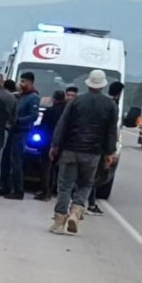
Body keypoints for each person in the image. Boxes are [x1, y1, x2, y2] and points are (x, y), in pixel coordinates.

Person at [49, 70, 118, 235]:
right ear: (103, 85)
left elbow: (62, 124)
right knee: (85, 184)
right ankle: (76, 211)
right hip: (93, 153)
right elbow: (111, 131)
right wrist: (110, 153)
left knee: (65, 185)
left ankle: (59, 221)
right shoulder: (110, 105)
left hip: (70, 150)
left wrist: (55, 145)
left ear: (88, 84)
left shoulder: (76, 101)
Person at [0, 72, 40, 200]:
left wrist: (18, 121)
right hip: (12, 130)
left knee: (16, 160)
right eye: (20, 81)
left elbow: (33, 116)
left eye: (23, 81)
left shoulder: (33, 97)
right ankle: (5, 186)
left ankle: (18, 190)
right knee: (6, 159)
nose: (21, 84)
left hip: (21, 131)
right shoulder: (21, 96)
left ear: (30, 82)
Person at [87, 81, 125, 214]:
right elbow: (111, 130)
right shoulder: (112, 105)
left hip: (95, 142)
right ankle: (89, 201)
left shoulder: (104, 102)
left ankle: (89, 200)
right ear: (119, 93)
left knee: (95, 175)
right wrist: (111, 149)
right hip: (102, 146)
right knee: (101, 175)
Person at [34, 90, 66, 201]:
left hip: (48, 141)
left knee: (46, 167)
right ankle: (54, 190)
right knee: (57, 168)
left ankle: (45, 191)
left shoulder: (50, 111)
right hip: (62, 143)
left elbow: (43, 126)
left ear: (54, 99)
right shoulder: (67, 111)